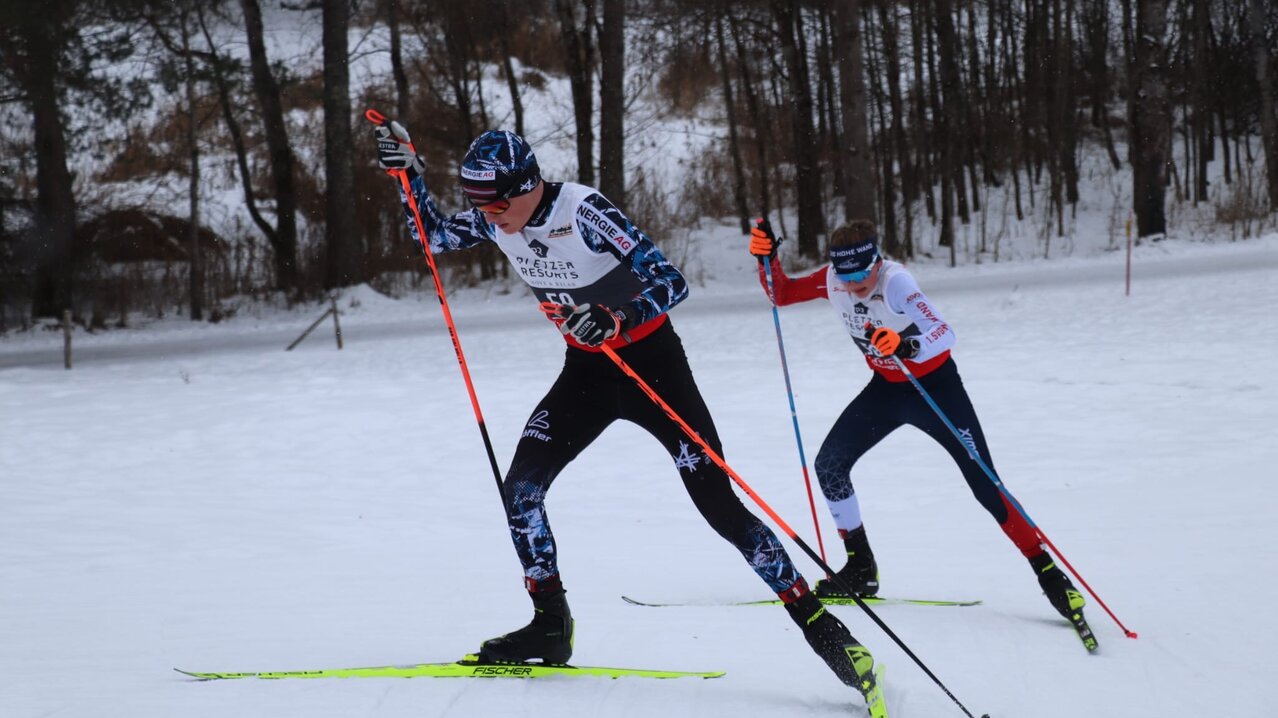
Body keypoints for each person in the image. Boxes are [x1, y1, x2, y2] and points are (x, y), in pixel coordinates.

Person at [373, 121, 886, 713]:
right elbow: (434, 238)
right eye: (478, 204)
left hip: (653, 370)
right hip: (586, 376)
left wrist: (617, 317)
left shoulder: (583, 209)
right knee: (521, 492)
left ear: (527, 185)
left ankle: (832, 639)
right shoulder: (498, 217)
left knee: (721, 508)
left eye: (494, 203)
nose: (487, 217)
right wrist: (408, 171)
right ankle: (549, 625)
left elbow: (671, 281)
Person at [748, 218, 1088, 629]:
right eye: (846, 275)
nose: (854, 284)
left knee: (984, 482)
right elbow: (780, 295)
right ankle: (860, 567)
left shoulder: (896, 283)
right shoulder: (832, 279)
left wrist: (907, 344)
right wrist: (767, 261)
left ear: (877, 262)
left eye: (862, 275)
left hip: (935, 390)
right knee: (830, 465)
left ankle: (1049, 572)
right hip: (887, 391)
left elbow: (944, 333)